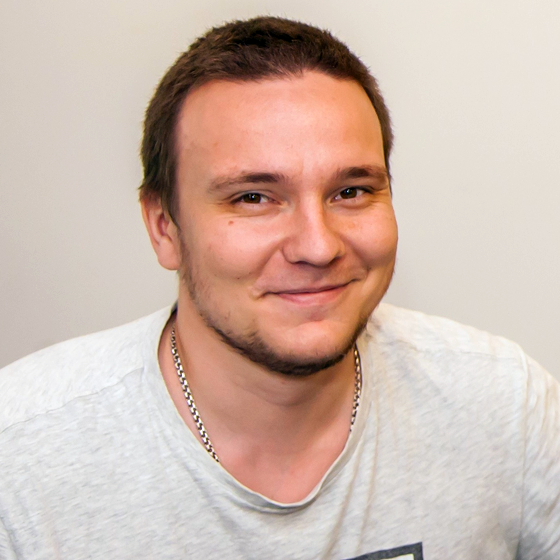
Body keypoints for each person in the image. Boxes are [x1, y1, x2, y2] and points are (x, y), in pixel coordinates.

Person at [0, 16, 559, 560]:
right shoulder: (20, 457)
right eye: (253, 198)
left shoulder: (505, 408)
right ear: (164, 227)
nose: (318, 246)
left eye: (351, 191)